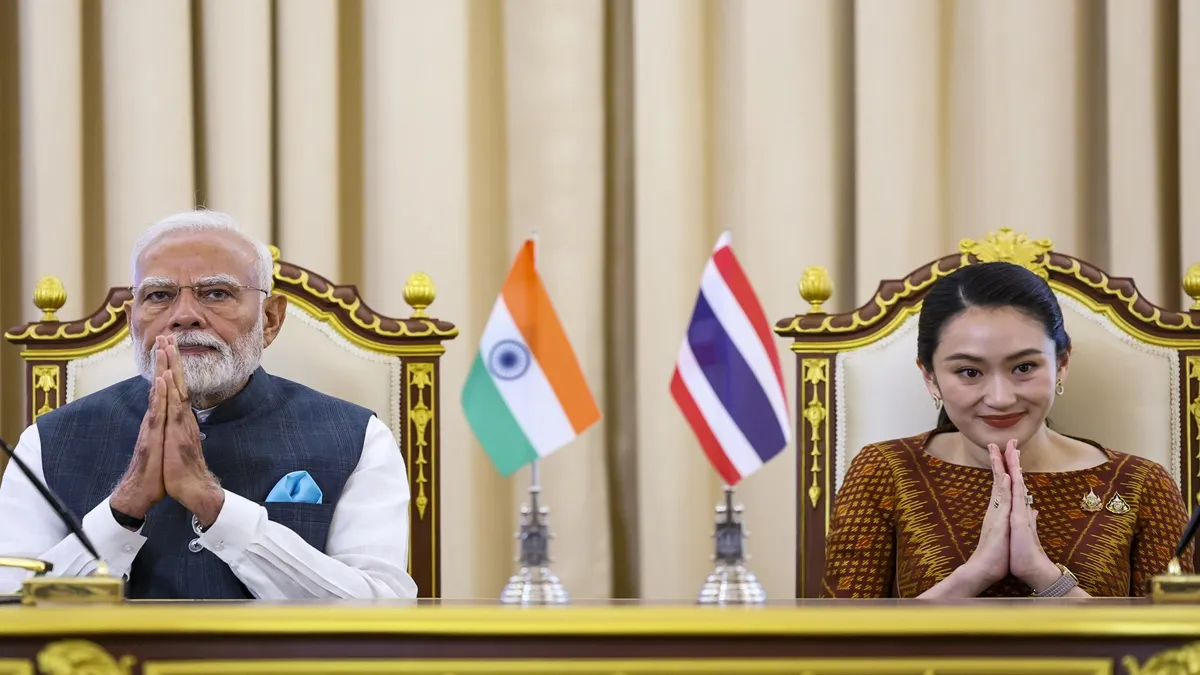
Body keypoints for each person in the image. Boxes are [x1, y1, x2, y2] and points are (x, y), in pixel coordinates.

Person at [0, 209, 417, 600]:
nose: (184, 316)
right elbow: (11, 601)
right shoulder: (48, 440)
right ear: (133, 321)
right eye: (159, 295)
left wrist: (215, 506)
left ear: (270, 319)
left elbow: (382, 608)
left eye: (216, 293)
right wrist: (123, 508)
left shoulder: (357, 436)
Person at [821, 261, 1193, 598]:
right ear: (930, 377)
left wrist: (1045, 577)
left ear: (1061, 364)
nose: (1000, 398)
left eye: (1024, 368)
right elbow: (840, 646)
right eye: (969, 372)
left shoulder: (1141, 484)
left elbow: (1175, 650)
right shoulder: (884, 470)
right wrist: (975, 574)